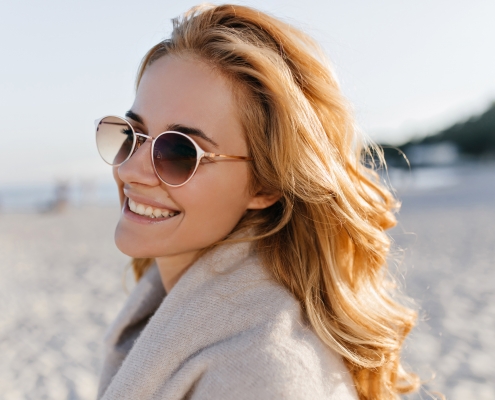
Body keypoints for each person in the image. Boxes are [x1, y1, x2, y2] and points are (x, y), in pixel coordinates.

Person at [95, 4, 419, 399]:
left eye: (179, 152)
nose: (131, 170)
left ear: (266, 185)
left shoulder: (263, 373)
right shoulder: (175, 311)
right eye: (134, 135)